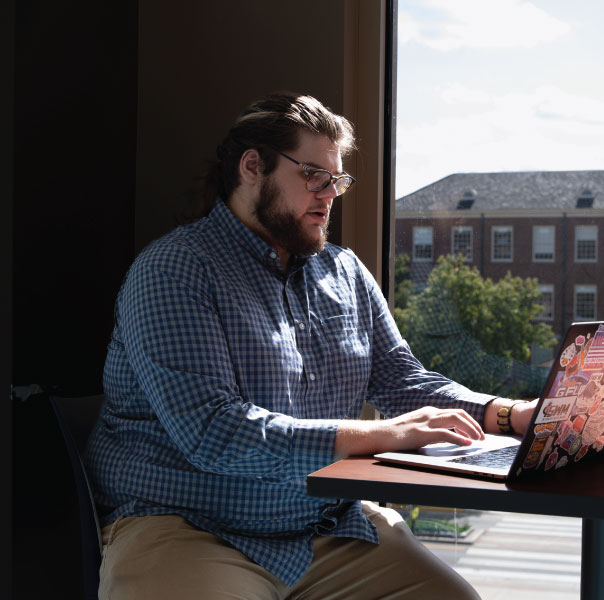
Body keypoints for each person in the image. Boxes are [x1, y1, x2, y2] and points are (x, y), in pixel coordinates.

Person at [84, 91, 538, 600]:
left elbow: (402, 382)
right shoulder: (174, 270)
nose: (328, 195)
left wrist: (513, 415)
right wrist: (380, 435)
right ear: (253, 166)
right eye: (313, 176)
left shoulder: (344, 271)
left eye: (336, 180)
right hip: (188, 526)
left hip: (324, 528)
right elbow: (214, 432)